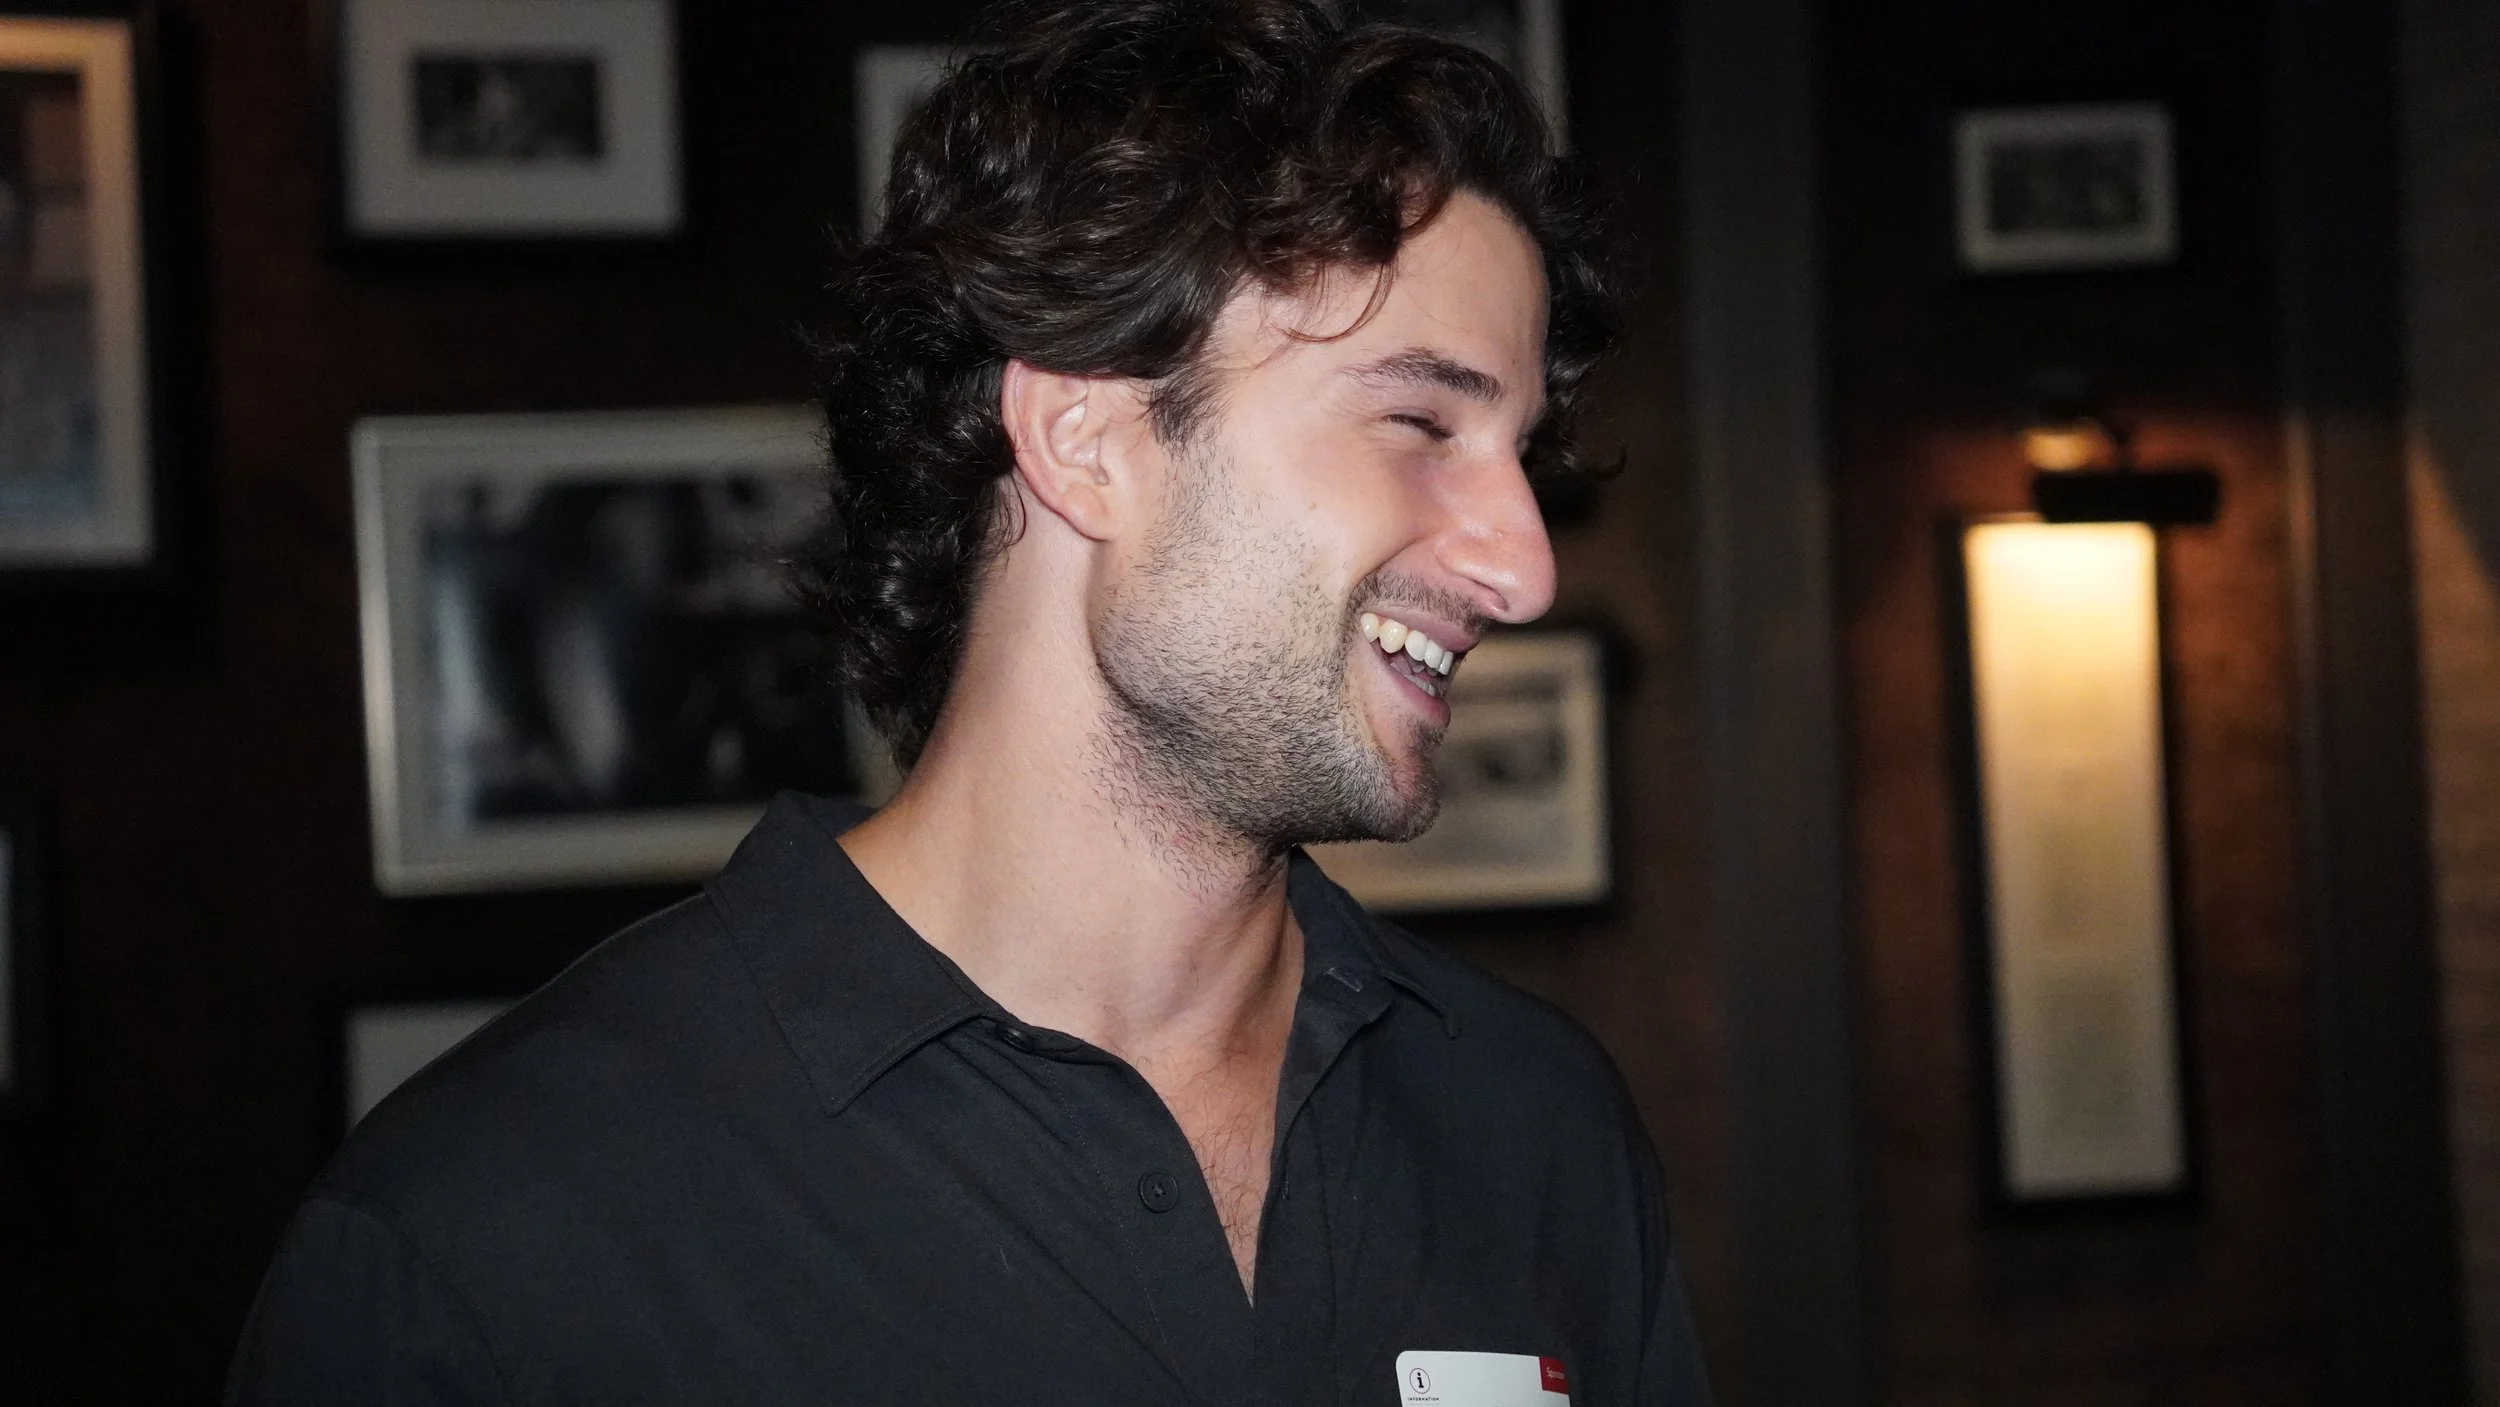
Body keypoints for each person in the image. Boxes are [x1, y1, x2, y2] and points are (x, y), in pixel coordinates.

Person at [226, 1, 1711, 1401]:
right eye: (1419, 420)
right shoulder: (489, 1245)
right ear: (1084, 436)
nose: (1519, 565)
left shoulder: (1537, 1132)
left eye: (1523, 454)